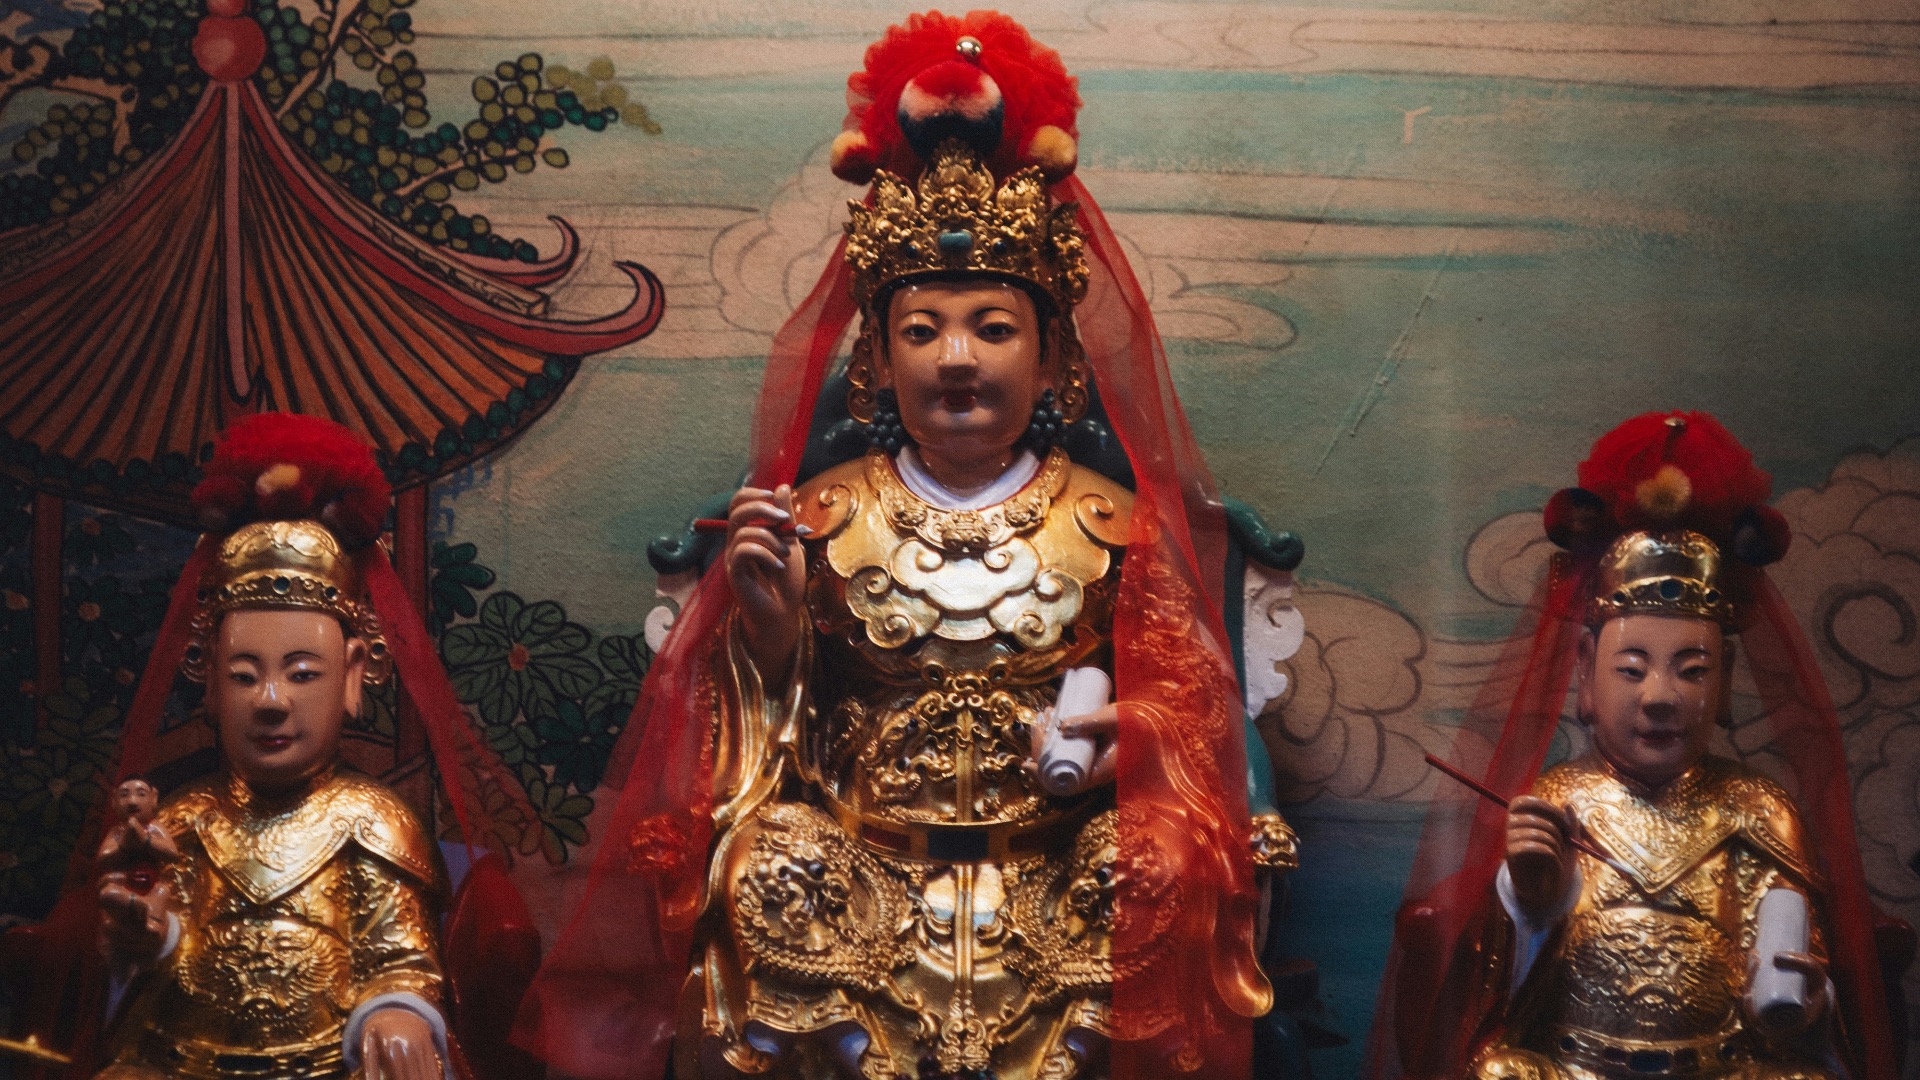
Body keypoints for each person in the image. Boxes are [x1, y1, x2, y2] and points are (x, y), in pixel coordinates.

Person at [519, 12, 1280, 1080]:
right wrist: (771, 632)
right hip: (856, 868)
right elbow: (753, 741)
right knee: (757, 861)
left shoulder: (1112, 523)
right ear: (876, 360)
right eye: (922, 330)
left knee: (1166, 861)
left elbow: (1194, 711)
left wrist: (1137, 739)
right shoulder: (823, 515)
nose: (957, 358)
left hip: (1057, 866)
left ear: (1053, 357)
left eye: (993, 327)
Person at [1363, 413, 1896, 1080]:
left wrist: (1807, 1000)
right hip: (1577, 1065)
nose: (1661, 696)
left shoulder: (1759, 809)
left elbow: (1792, 987)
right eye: (1632, 668)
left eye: (1693, 671)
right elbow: (1497, 994)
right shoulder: (1559, 800)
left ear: (1725, 681)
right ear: (1586, 672)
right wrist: (1531, 901)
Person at [9, 413, 533, 1080]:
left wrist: (397, 1011)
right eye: (243, 675)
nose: (271, 700)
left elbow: (401, 960)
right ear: (207, 678)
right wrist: (148, 939)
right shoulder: (183, 822)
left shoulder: (373, 822)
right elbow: (156, 967)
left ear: (353, 674)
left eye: (303, 674)